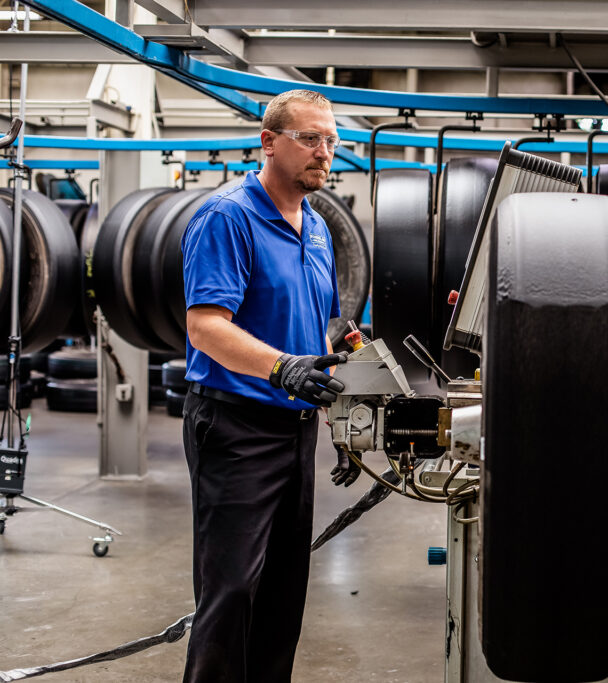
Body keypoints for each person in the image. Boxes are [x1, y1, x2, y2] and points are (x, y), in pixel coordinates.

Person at [180, 89, 347, 682]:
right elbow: (204, 327)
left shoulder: (319, 228)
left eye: (330, 140)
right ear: (269, 142)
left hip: (293, 428)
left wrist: (341, 389)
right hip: (236, 426)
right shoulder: (228, 217)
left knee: (282, 593)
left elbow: (312, 326)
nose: (323, 152)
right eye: (309, 139)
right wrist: (282, 368)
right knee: (231, 594)